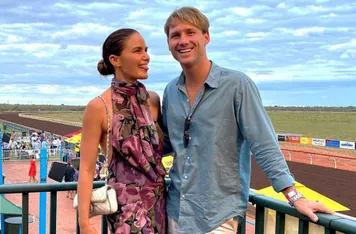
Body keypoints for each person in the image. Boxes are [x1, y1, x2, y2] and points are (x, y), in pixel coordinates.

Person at [161, 6, 334, 234]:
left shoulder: (236, 85)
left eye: (190, 32)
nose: (183, 41)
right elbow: (165, 143)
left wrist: (294, 196)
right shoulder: (171, 90)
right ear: (169, 43)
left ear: (206, 37)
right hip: (175, 210)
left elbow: (263, 143)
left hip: (216, 216)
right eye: (175, 35)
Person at [77, 28, 167, 234]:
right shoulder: (99, 107)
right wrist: (84, 223)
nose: (146, 57)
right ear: (115, 60)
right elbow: (87, 168)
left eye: (146, 50)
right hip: (126, 212)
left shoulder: (152, 100)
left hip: (160, 204)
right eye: (137, 51)